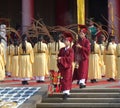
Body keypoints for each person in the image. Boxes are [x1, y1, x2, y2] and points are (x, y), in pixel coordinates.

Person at [57, 32, 74, 100]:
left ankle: (66, 92)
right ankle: (64, 91)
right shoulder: (62, 49)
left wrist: (61, 59)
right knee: (62, 79)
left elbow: (70, 59)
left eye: (67, 41)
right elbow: (59, 56)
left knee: (67, 79)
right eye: (65, 40)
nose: (65, 42)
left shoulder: (71, 50)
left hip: (67, 67)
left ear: (69, 42)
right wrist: (58, 59)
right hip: (62, 67)